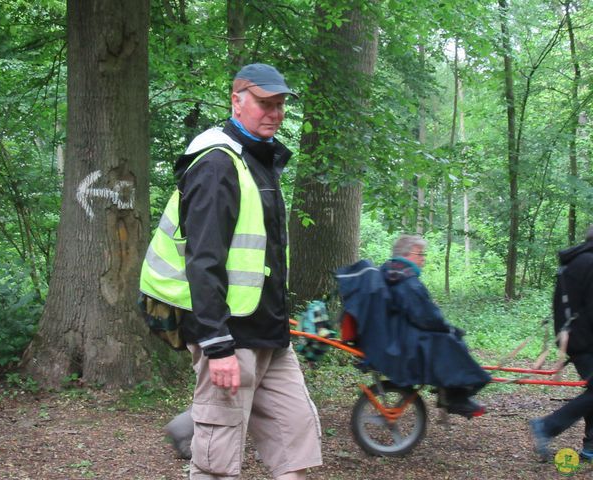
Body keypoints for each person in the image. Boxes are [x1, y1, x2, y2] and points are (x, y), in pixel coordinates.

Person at [140, 63, 322, 479]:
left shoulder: (257, 159)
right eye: (264, 103)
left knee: (294, 445)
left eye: (279, 104)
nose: (274, 112)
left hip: (270, 335)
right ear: (236, 101)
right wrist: (217, 345)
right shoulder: (217, 163)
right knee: (216, 462)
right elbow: (202, 261)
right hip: (229, 335)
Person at [335, 235, 490, 417]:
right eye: (420, 254)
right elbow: (425, 316)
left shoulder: (389, 271)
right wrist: (448, 328)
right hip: (402, 344)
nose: (423, 259)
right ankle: (456, 397)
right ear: (408, 254)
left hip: (393, 336)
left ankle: (450, 392)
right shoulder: (406, 279)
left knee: (448, 339)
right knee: (451, 342)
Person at [530, 225, 593, 462]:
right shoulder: (590, 262)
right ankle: (547, 426)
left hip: (572, 336)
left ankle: (590, 447)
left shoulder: (573, 261)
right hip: (586, 339)